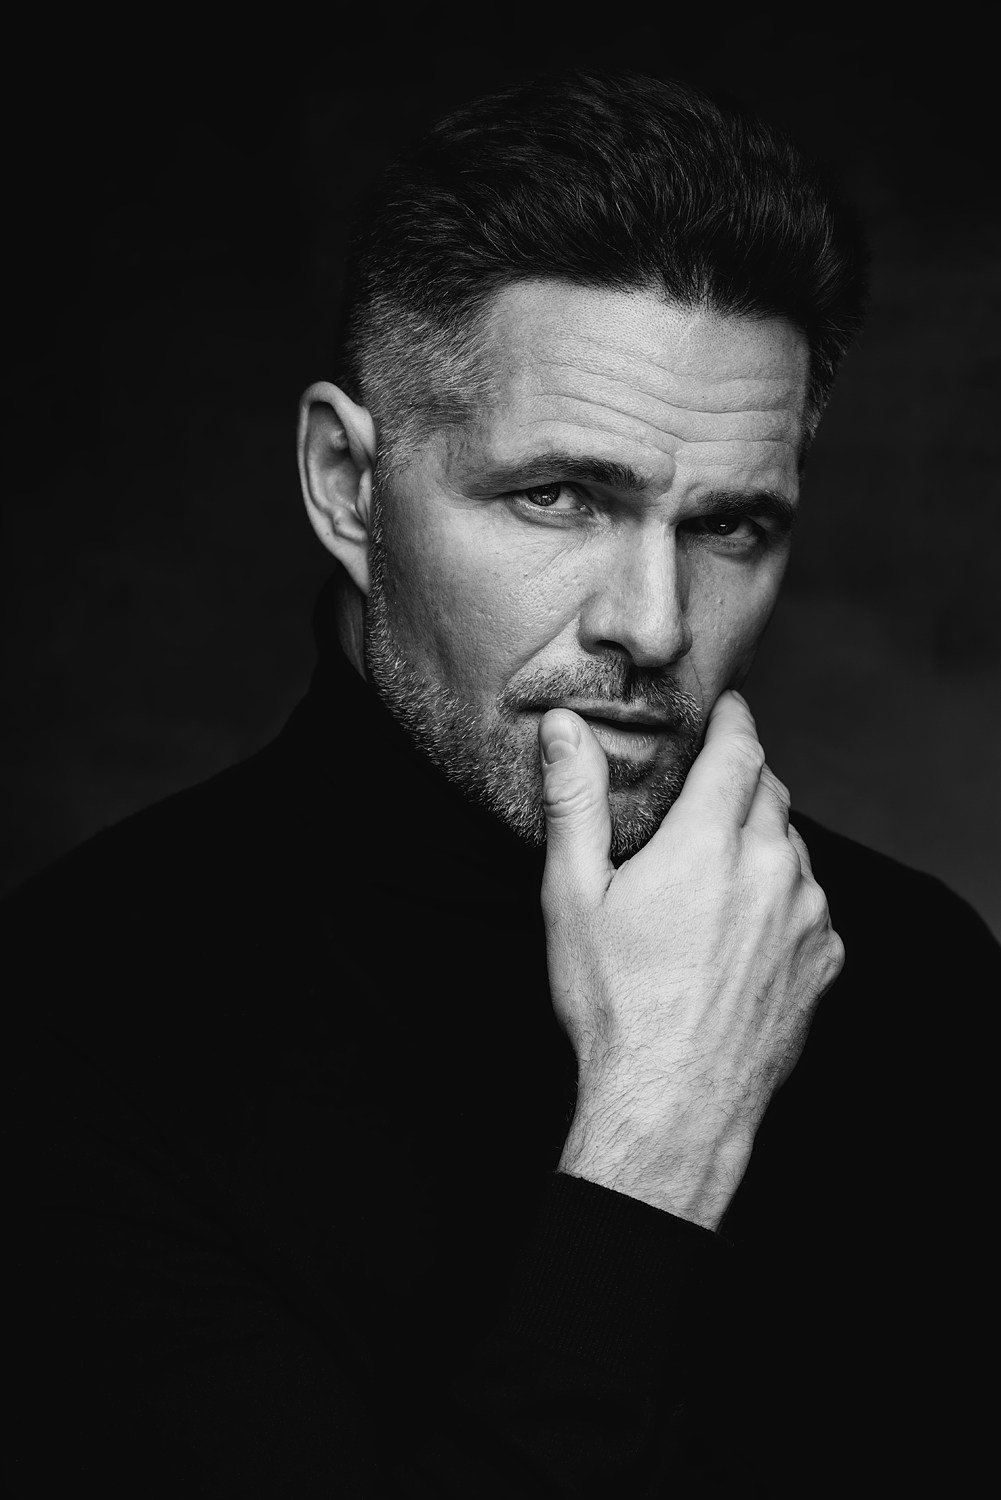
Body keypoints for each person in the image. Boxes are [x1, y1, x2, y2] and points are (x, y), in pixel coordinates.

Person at [6, 68, 997, 1498]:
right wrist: (655, 1141)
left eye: (730, 526)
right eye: (558, 497)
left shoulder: (917, 974)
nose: (653, 625)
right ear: (347, 484)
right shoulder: (67, 1027)